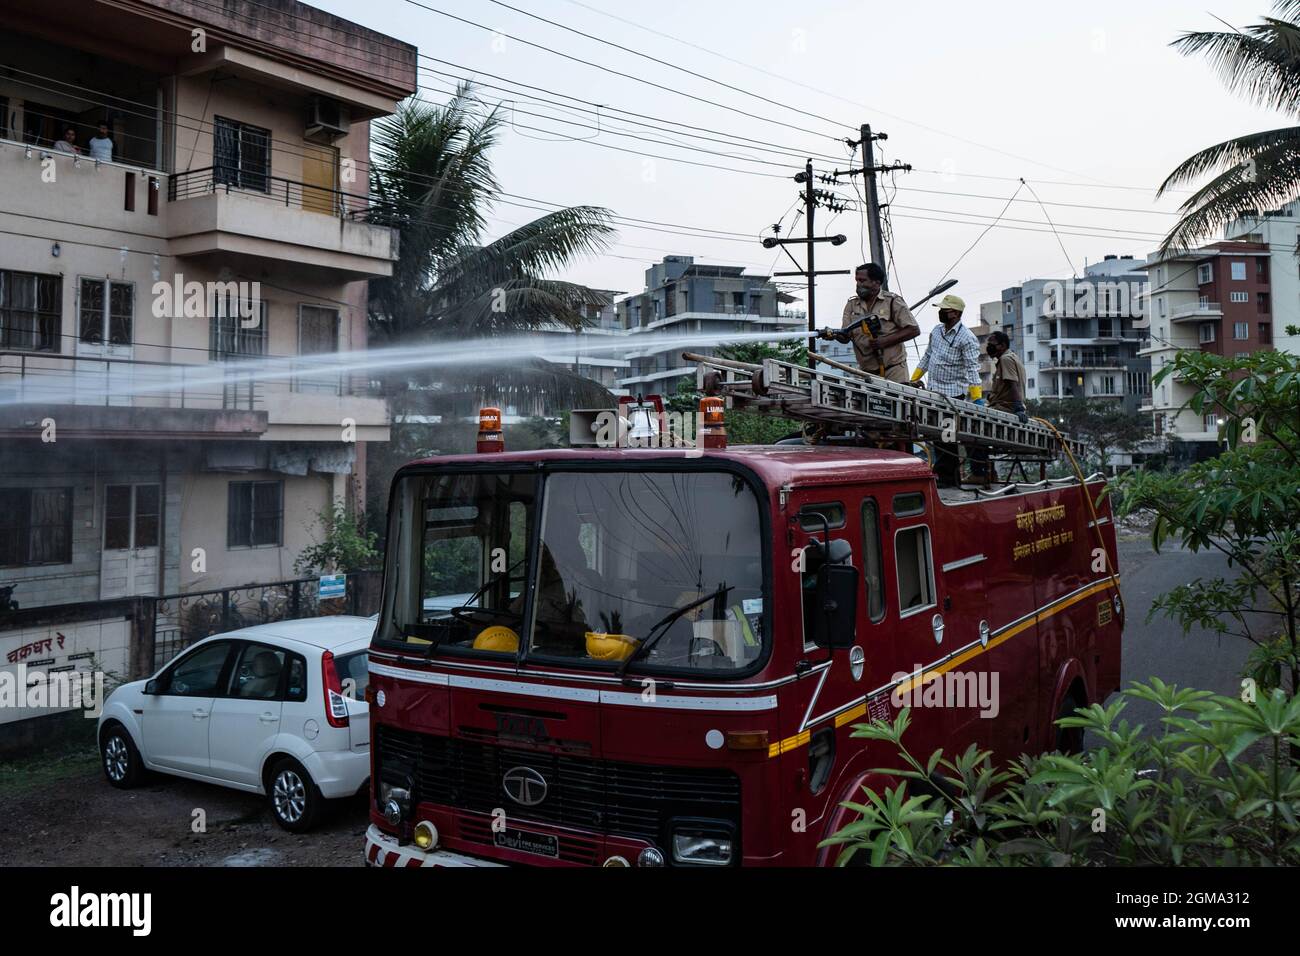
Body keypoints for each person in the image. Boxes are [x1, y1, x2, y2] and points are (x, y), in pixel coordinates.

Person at [912, 294, 983, 487]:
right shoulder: (936, 331)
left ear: (956, 313)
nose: (941, 312)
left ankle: (948, 478)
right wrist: (913, 380)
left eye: (945, 310)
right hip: (933, 391)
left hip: (952, 395)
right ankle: (944, 475)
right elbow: (927, 356)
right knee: (935, 437)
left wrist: (977, 398)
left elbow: (972, 369)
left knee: (947, 437)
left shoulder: (967, 338)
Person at [820, 263, 920, 383]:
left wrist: (884, 341)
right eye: (857, 281)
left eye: (863, 281)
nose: (858, 284)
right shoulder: (852, 305)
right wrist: (833, 334)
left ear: (876, 283)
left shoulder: (892, 301)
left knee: (894, 401)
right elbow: (846, 336)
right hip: (866, 372)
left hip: (893, 371)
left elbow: (913, 330)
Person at [970, 330, 1029, 482]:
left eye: (991, 345)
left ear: (1002, 346)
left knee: (970, 428)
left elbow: (1012, 384)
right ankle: (989, 472)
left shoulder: (1006, 359)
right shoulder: (1011, 358)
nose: (988, 347)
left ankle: (979, 474)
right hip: (1001, 406)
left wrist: (1018, 408)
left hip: (1005, 408)